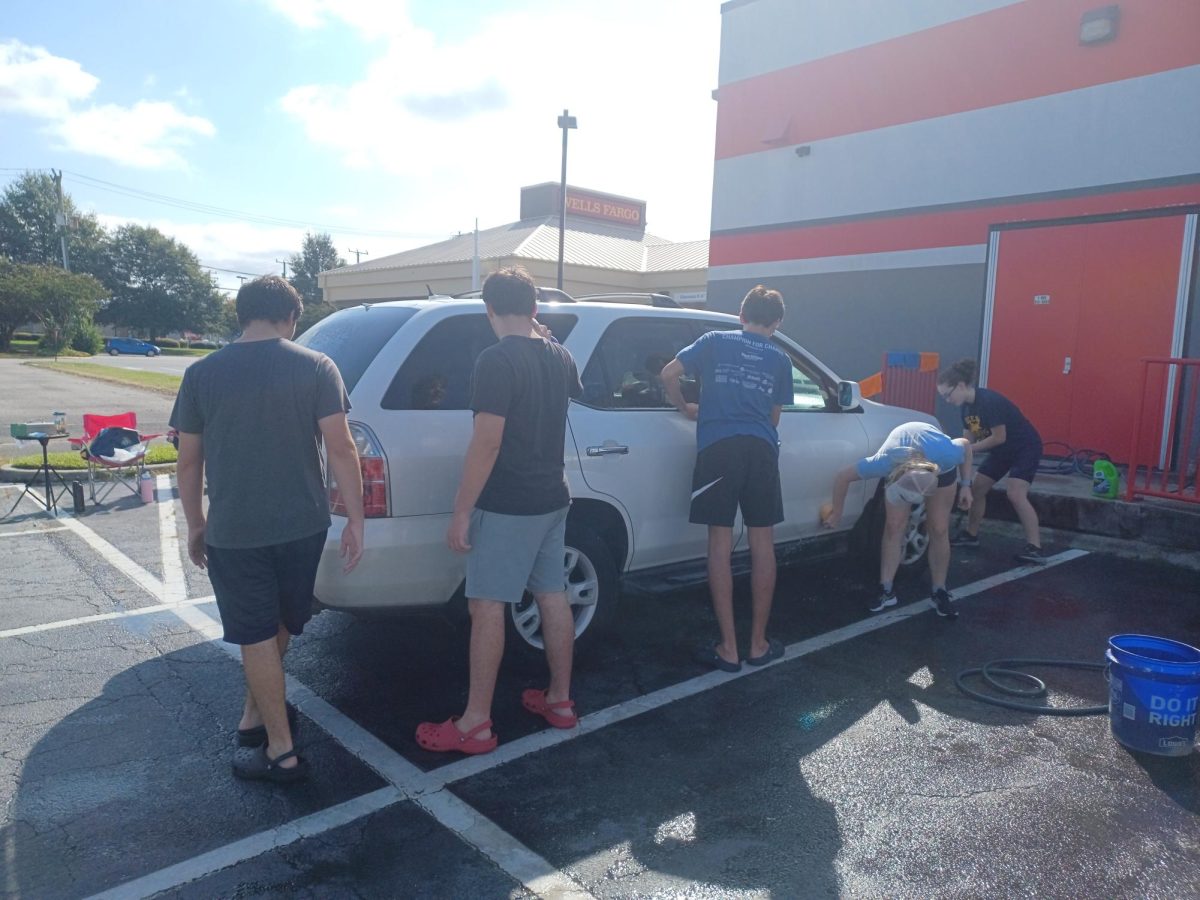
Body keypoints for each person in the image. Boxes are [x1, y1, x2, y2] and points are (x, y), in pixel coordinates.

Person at [172, 275, 364, 784]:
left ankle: (274, 743)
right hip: (303, 525)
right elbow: (342, 448)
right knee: (275, 627)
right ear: (291, 318)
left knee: (259, 632)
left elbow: (188, 463)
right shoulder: (316, 365)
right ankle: (264, 728)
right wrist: (357, 519)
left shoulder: (201, 374)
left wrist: (195, 523)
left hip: (235, 531)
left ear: (241, 315)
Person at [416, 266, 583, 755]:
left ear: (488, 309)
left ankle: (475, 724)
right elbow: (556, 370)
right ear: (534, 309)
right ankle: (560, 701)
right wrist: (542, 336)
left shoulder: (495, 360)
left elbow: (487, 442)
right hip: (553, 496)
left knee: (487, 604)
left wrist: (461, 511)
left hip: (509, 503)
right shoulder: (559, 356)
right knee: (552, 595)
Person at [660, 285, 793, 672]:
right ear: (777, 323)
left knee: (720, 543)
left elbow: (669, 373)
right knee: (762, 542)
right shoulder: (781, 358)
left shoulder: (715, 340)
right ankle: (758, 644)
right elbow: (774, 418)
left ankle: (729, 648)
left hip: (719, 448)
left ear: (741, 314)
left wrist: (684, 406)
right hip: (762, 449)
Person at [825, 422, 973, 618]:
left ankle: (940, 590)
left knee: (938, 528)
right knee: (894, 526)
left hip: (940, 469)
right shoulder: (884, 462)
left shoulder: (948, 455)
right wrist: (837, 512)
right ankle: (886, 590)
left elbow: (965, 443)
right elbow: (842, 476)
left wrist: (965, 485)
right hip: (905, 462)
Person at [937, 358, 1047, 564]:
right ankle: (971, 535)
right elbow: (967, 441)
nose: (947, 400)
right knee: (977, 488)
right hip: (1002, 451)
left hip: (1025, 447)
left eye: (947, 395)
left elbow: (999, 437)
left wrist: (968, 448)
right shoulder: (965, 409)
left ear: (960, 386)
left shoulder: (989, 401)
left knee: (1015, 493)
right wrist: (957, 457)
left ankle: (1035, 547)